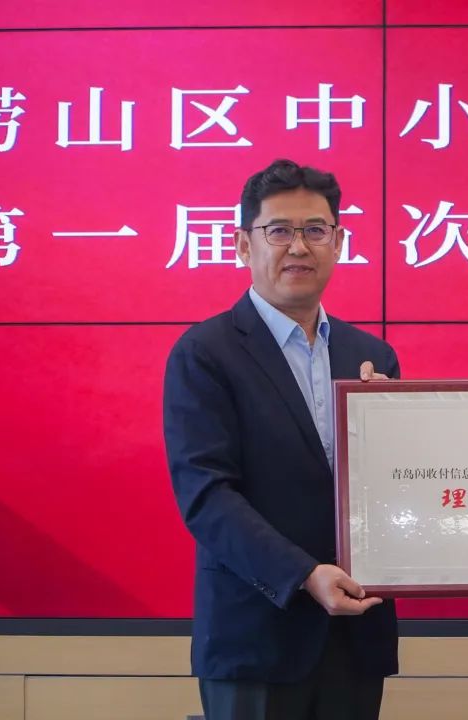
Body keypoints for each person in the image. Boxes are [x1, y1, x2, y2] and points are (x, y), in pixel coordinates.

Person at [163, 159, 398, 720]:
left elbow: (393, 489)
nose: (299, 246)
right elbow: (206, 496)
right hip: (255, 635)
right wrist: (303, 575)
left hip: (356, 636)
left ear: (338, 242)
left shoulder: (373, 358)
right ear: (244, 245)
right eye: (279, 231)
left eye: (315, 230)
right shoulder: (206, 353)